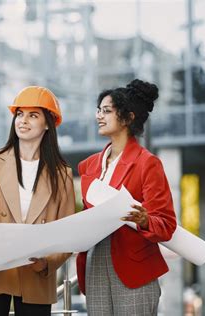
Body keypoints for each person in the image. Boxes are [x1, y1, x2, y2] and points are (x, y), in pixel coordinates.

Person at [0, 86, 76, 316]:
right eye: (19, 114)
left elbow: (67, 231)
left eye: (33, 115)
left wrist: (47, 262)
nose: (23, 121)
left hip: (35, 272)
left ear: (48, 123)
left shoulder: (62, 174)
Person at [76, 79, 177, 315]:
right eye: (99, 110)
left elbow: (166, 224)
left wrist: (144, 220)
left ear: (129, 117)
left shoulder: (147, 163)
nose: (99, 116)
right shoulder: (89, 166)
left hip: (134, 267)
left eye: (107, 111)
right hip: (96, 263)